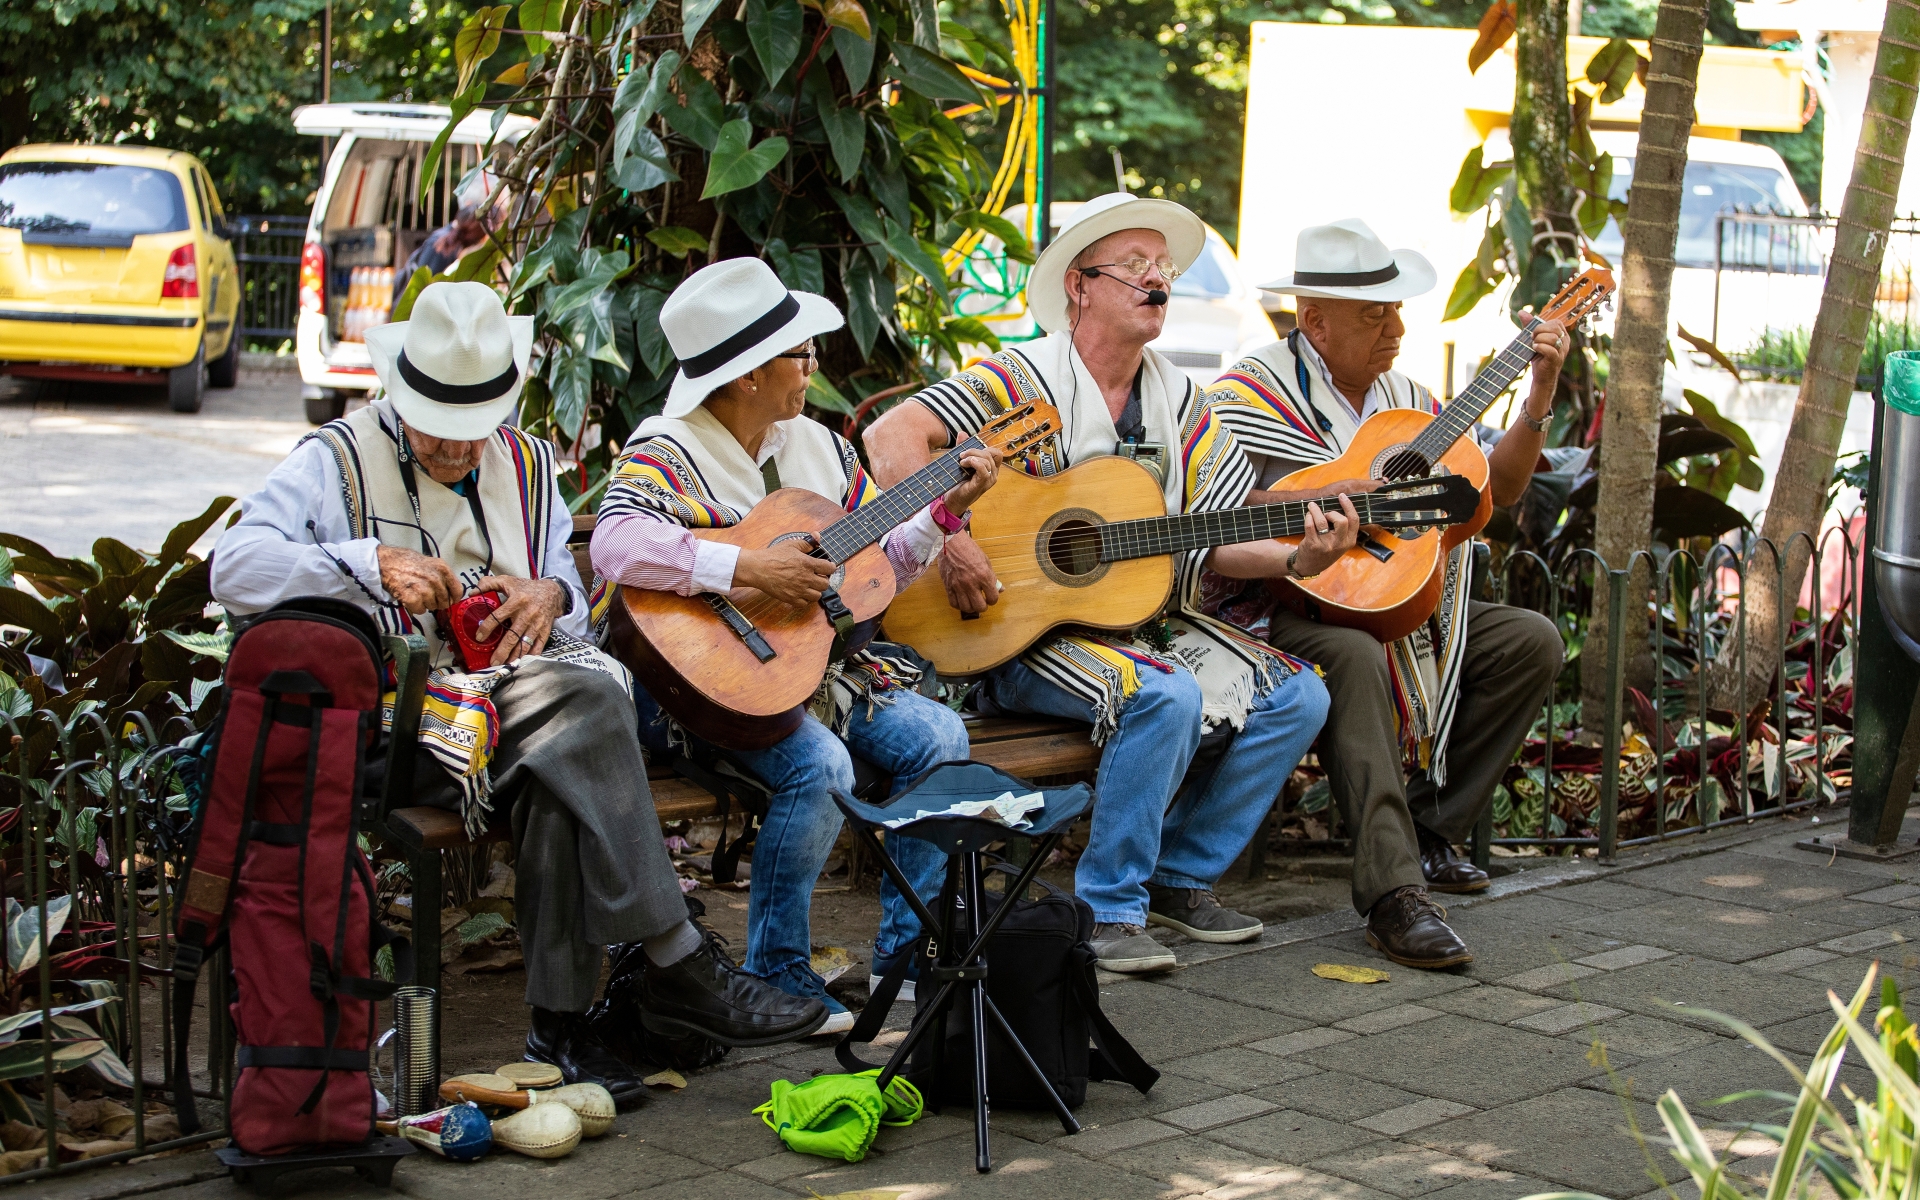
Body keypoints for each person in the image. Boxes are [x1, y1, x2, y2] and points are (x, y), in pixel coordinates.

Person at [210, 282, 827, 1108]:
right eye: (444, 433)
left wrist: (546, 594)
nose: (465, 452)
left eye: (478, 431)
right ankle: (675, 957)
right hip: (403, 734)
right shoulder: (336, 457)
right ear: (401, 394)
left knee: (558, 776)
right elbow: (232, 568)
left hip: (519, 732)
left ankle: (560, 1036)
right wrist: (367, 565)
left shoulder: (526, 460)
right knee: (592, 708)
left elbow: (566, 581)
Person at [863, 192, 1335, 975]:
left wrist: (1297, 559)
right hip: (1015, 627)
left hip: (1138, 619)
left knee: (1299, 696)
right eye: (1137, 267)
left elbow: (1213, 534)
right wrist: (955, 541)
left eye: (1165, 268)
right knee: (1165, 695)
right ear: (1079, 285)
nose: (1159, 282)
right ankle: (1108, 909)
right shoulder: (1018, 377)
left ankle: (1180, 878)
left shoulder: (1182, 399)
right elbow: (891, 437)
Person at [592, 258, 999, 1032]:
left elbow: (876, 568)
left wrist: (943, 515)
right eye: (798, 354)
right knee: (820, 765)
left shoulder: (818, 446)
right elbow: (615, 547)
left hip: (813, 671)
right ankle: (776, 971)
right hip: (695, 688)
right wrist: (748, 567)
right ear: (747, 375)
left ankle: (904, 960)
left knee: (940, 734)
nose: (813, 365)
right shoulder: (666, 449)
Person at [1203, 218, 1567, 969]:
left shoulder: (1408, 400)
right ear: (1314, 321)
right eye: (1376, 315)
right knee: (1356, 657)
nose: (1397, 328)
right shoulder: (1245, 397)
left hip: (1392, 599)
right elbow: (1216, 528)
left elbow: (1495, 489)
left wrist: (1539, 392)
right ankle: (1394, 895)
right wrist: (1305, 542)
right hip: (1277, 610)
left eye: (1398, 310)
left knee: (1530, 641)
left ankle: (1432, 830)